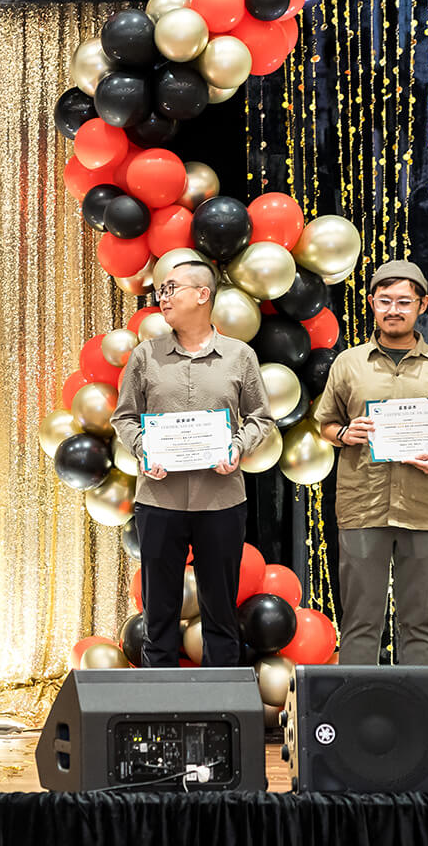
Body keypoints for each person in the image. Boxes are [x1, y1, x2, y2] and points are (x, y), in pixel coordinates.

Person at [111, 260, 273, 668]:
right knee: (158, 612)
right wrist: (143, 449)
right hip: (159, 499)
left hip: (221, 501)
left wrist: (238, 447)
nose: (162, 298)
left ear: (203, 295)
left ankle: (221, 699)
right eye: (161, 291)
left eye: (171, 289)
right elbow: (124, 417)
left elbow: (261, 418)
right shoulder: (145, 356)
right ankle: (160, 696)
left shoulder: (239, 356)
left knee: (220, 610)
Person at [315, 260, 428, 665]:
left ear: (422, 305)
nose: (393, 310)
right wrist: (344, 434)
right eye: (385, 300)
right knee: (359, 621)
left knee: (421, 621)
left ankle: (420, 705)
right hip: (362, 506)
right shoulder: (349, 363)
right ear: (371, 303)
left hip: (424, 508)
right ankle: (356, 704)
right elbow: (325, 425)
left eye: (404, 301)